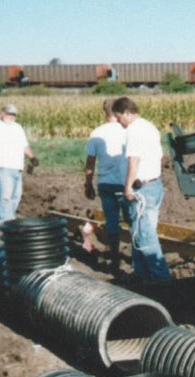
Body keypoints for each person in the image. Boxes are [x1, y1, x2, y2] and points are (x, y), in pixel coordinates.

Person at [113, 97, 171, 284]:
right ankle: (142, 275)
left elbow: (134, 160)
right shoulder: (150, 126)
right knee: (139, 232)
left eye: (118, 117)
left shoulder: (134, 129)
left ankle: (162, 279)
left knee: (145, 236)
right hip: (153, 185)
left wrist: (127, 187)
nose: (118, 122)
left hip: (142, 189)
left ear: (126, 113)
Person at [83, 98, 132, 263]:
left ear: (104, 112)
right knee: (133, 222)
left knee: (111, 223)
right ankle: (136, 259)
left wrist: (88, 184)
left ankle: (115, 257)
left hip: (105, 184)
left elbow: (90, 162)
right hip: (126, 183)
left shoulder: (97, 133)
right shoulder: (127, 130)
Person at [0, 104, 35, 223]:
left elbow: (24, 145)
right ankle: (4, 222)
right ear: (2, 113)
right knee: (6, 196)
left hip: (17, 167)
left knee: (16, 196)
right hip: (3, 166)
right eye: (8, 113)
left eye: (13, 114)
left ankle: (11, 219)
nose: (11, 116)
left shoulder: (18, 127)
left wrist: (32, 157)